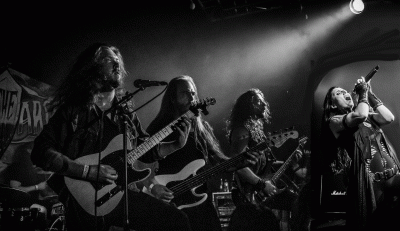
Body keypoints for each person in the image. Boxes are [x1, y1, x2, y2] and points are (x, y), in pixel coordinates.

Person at [30, 43, 194, 231]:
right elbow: (40, 151)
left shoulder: (125, 113)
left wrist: (174, 146)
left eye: (118, 61)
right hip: (82, 200)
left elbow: (142, 149)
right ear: (92, 68)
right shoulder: (74, 111)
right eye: (108, 60)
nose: (116, 64)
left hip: (119, 194)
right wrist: (86, 171)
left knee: (176, 220)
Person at [143, 75, 260, 231]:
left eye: (193, 93)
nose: (192, 97)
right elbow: (142, 165)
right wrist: (153, 188)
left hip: (198, 200)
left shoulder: (201, 128)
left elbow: (220, 163)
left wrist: (240, 163)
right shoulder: (159, 127)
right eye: (185, 93)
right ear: (172, 99)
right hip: (168, 201)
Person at [321, 76, 400, 230]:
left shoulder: (368, 115)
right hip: (373, 185)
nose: (344, 93)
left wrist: (369, 93)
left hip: (393, 176)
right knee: (376, 224)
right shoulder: (335, 121)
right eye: (338, 93)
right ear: (331, 105)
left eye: (344, 91)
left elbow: (389, 117)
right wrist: (362, 94)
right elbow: (359, 115)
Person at [225, 88, 285, 231]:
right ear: (247, 106)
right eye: (258, 101)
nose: (264, 104)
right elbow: (238, 165)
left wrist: (291, 161)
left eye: (263, 100)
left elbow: (263, 164)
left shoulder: (257, 130)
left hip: (257, 190)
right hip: (247, 193)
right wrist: (262, 184)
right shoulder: (242, 130)